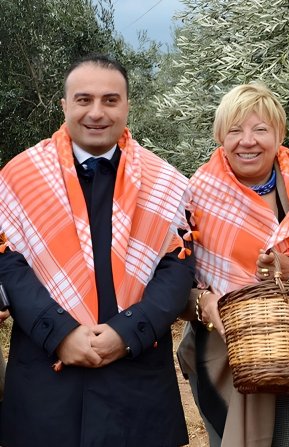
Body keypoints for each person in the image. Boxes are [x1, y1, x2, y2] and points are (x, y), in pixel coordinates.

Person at [0, 54, 192, 446]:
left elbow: (177, 269)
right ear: (64, 105)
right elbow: (8, 265)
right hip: (46, 379)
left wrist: (127, 333)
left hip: (136, 381)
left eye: (110, 100)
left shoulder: (166, 182)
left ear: (127, 106)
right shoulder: (20, 177)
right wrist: (60, 334)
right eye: (84, 100)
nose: (97, 112)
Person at [176, 83, 289, 447]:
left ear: (279, 135)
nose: (248, 141)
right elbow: (174, 280)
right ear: (220, 137)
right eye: (235, 130)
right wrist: (204, 304)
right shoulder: (196, 196)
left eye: (260, 129)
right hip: (223, 357)